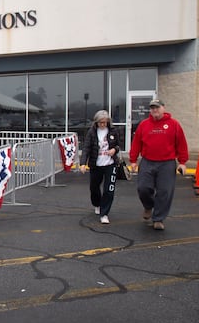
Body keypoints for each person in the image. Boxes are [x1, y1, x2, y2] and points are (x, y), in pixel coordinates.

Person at [129, 99, 188, 230]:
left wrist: (182, 162)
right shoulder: (144, 125)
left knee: (165, 191)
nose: (154, 110)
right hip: (147, 161)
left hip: (167, 163)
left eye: (157, 107)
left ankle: (158, 218)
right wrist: (133, 160)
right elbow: (136, 143)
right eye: (152, 108)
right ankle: (148, 206)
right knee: (143, 188)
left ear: (163, 108)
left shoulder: (174, 125)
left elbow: (181, 144)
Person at [79, 110, 121, 224]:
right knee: (94, 188)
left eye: (105, 122)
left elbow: (118, 145)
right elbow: (86, 148)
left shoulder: (113, 131)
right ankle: (97, 204)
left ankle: (104, 213)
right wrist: (83, 163)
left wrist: (114, 150)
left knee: (109, 190)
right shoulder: (92, 132)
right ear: (96, 122)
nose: (103, 124)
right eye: (100, 122)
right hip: (96, 164)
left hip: (110, 164)